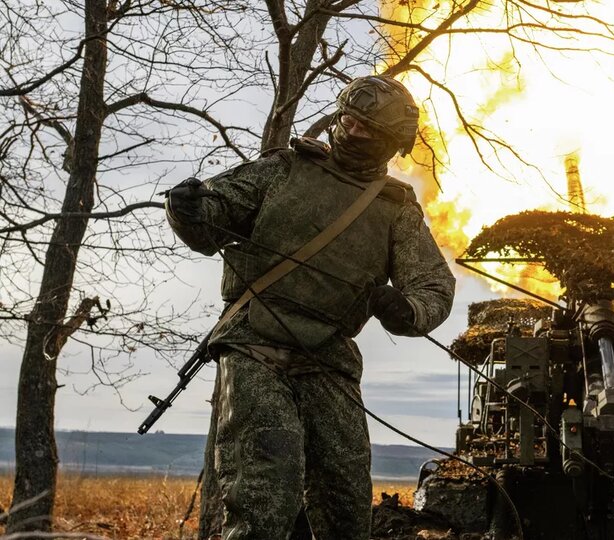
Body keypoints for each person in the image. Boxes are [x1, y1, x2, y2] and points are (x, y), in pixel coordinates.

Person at [164, 75, 455, 539]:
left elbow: (434, 286)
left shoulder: (395, 207)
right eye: (346, 120)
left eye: (365, 129)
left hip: (327, 357)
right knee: (266, 488)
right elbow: (213, 214)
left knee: (346, 496)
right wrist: (189, 206)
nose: (350, 132)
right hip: (255, 343)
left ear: (390, 143)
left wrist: (408, 308)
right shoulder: (284, 169)